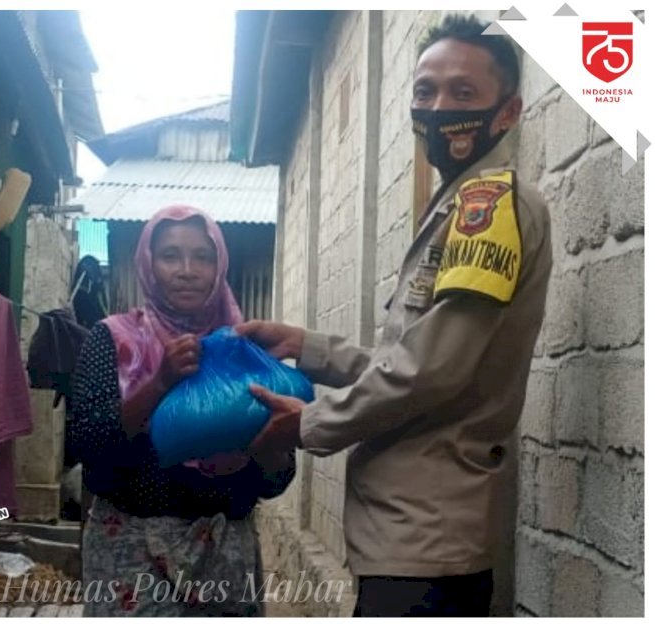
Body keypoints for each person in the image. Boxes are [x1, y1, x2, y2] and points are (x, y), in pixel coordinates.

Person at [237, 15, 552, 617]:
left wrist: (308, 424)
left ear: (507, 112)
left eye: (463, 93)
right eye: (424, 92)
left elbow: (429, 371)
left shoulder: (489, 206)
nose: (438, 109)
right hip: (408, 535)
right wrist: (305, 345)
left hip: (429, 543)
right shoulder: (455, 205)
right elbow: (410, 358)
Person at [69, 205, 295, 617]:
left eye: (202, 257)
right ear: (148, 264)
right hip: (131, 555)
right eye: (170, 255)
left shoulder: (245, 350)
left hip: (224, 556)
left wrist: (272, 442)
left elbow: (277, 479)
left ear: (219, 265)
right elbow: (89, 445)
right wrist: (159, 382)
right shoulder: (112, 341)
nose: (187, 269)